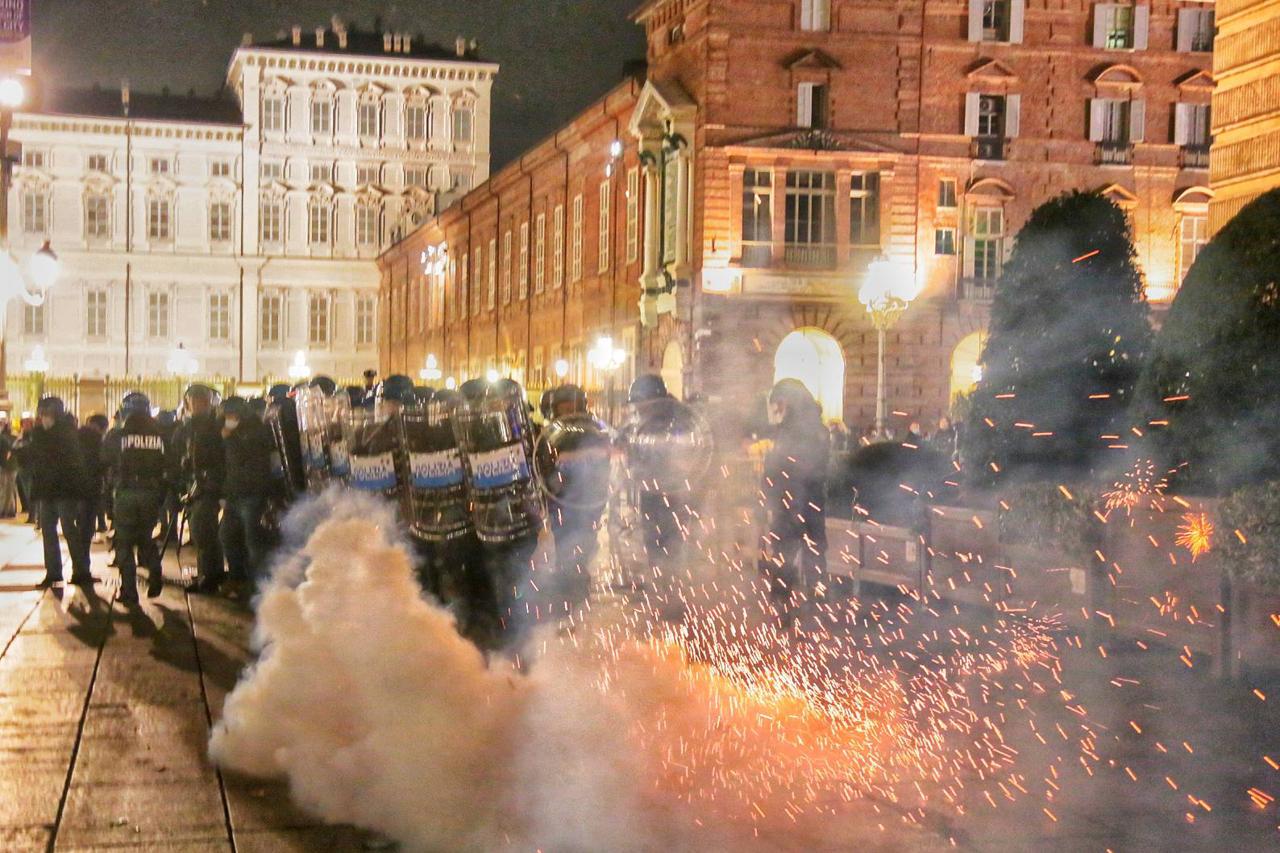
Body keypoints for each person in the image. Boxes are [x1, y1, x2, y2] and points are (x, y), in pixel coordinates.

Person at [759, 379, 829, 623]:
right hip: (813, 502)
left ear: (787, 404)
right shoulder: (820, 429)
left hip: (788, 504)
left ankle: (782, 605)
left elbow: (777, 469)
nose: (776, 410)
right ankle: (817, 606)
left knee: (783, 556)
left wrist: (767, 495)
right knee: (815, 554)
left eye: (778, 404)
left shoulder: (788, 432)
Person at [539, 384, 610, 614]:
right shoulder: (550, 435)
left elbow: (604, 463)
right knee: (563, 543)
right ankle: (566, 591)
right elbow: (542, 466)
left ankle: (577, 590)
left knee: (583, 543)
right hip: (560, 500)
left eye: (571, 405)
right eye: (563, 406)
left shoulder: (594, 431)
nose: (568, 410)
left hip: (587, 500)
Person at [102, 392, 169, 603]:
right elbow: (170, 465)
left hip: (126, 492)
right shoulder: (160, 436)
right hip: (150, 493)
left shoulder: (117, 435)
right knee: (144, 538)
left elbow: (104, 459)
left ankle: (129, 591)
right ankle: (155, 570)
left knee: (124, 542)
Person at [30, 397, 93, 588]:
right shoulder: (39, 433)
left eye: (46, 415)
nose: (44, 419)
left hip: (65, 490)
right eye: (42, 415)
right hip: (47, 491)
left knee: (68, 528)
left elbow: (72, 463)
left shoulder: (67, 433)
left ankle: (80, 570)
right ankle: (53, 572)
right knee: (48, 531)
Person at [219, 396, 277, 591]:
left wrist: (229, 439)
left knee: (253, 541)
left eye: (231, 414)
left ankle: (257, 585)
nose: (229, 418)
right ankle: (236, 577)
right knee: (228, 535)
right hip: (235, 494)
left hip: (251, 494)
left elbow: (246, 459)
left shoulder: (253, 432)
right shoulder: (234, 432)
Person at [175, 384, 226, 594]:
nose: (197, 405)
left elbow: (215, 456)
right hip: (198, 483)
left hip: (208, 484)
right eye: (194, 401)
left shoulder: (212, 426)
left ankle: (210, 577)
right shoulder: (192, 426)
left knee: (203, 532)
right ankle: (207, 573)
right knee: (201, 532)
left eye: (200, 401)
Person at [76, 413, 107, 560]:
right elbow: (102, 465)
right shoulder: (97, 442)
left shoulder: (76, 438)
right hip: (91, 490)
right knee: (86, 530)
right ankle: (83, 568)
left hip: (77, 489)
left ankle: (81, 568)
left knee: (81, 529)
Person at [0, 418, 16, 518]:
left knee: (3, 489)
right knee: (10, 489)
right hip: (12, 466)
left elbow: (7, 453)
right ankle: (10, 510)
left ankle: (3, 510)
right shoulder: (14, 437)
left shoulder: (2, 438)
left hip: (4, 466)